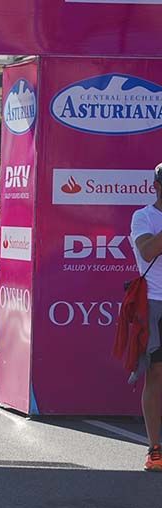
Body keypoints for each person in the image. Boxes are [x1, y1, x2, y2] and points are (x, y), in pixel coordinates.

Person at [129, 161, 162, 472]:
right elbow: (148, 251)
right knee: (156, 375)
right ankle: (155, 449)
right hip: (155, 304)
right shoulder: (143, 217)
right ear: (156, 186)